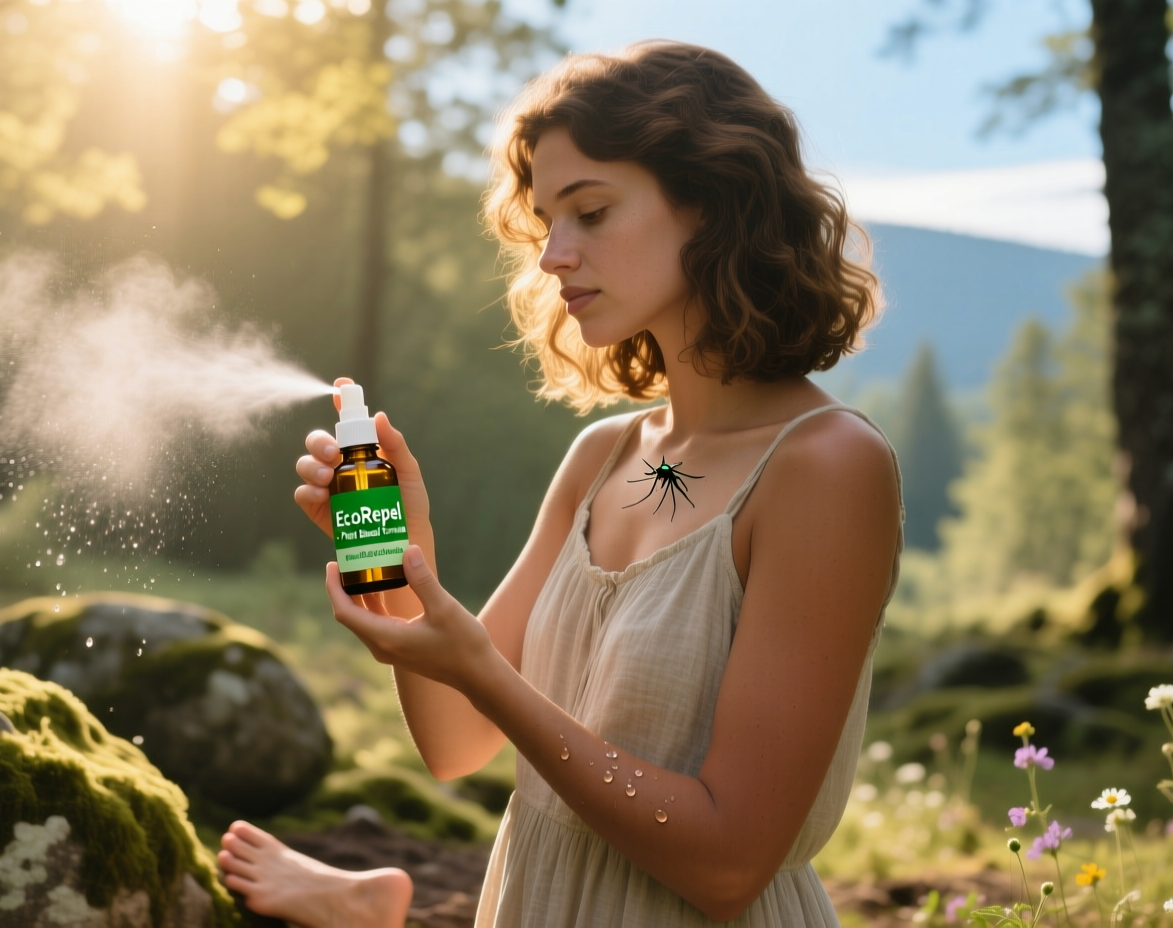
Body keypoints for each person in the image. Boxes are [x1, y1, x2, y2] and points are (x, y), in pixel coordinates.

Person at [216, 40, 902, 927]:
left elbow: (730, 863)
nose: (553, 257)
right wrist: (406, 565)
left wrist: (484, 671)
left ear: (714, 205)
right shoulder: (604, 458)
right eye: (548, 223)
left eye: (592, 212)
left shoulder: (826, 467)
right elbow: (456, 743)